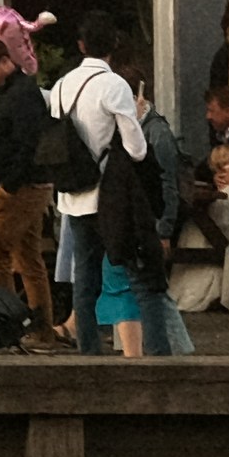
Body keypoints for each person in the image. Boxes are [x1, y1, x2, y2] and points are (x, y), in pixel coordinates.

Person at [50, 37, 167, 359]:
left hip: (72, 197)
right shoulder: (113, 85)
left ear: (82, 43)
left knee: (85, 282)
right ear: (113, 44)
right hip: (111, 199)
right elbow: (137, 149)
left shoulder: (61, 85)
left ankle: (89, 354)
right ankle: (158, 356)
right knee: (141, 277)